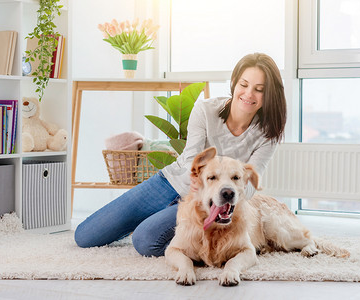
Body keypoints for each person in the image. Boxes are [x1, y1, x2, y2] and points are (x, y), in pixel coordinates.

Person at [74, 53, 287, 257]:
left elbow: (248, 187)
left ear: (269, 94)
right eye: (244, 84)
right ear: (233, 82)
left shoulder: (268, 134)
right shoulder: (205, 110)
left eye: (259, 89)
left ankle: (186, 241)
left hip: (206, 202)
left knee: (145, 241)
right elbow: (189, 160)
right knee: (84, 236)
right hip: (171, 182)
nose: (249, 94)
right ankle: (151, 221)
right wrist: (199, 182)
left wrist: (210, 195)